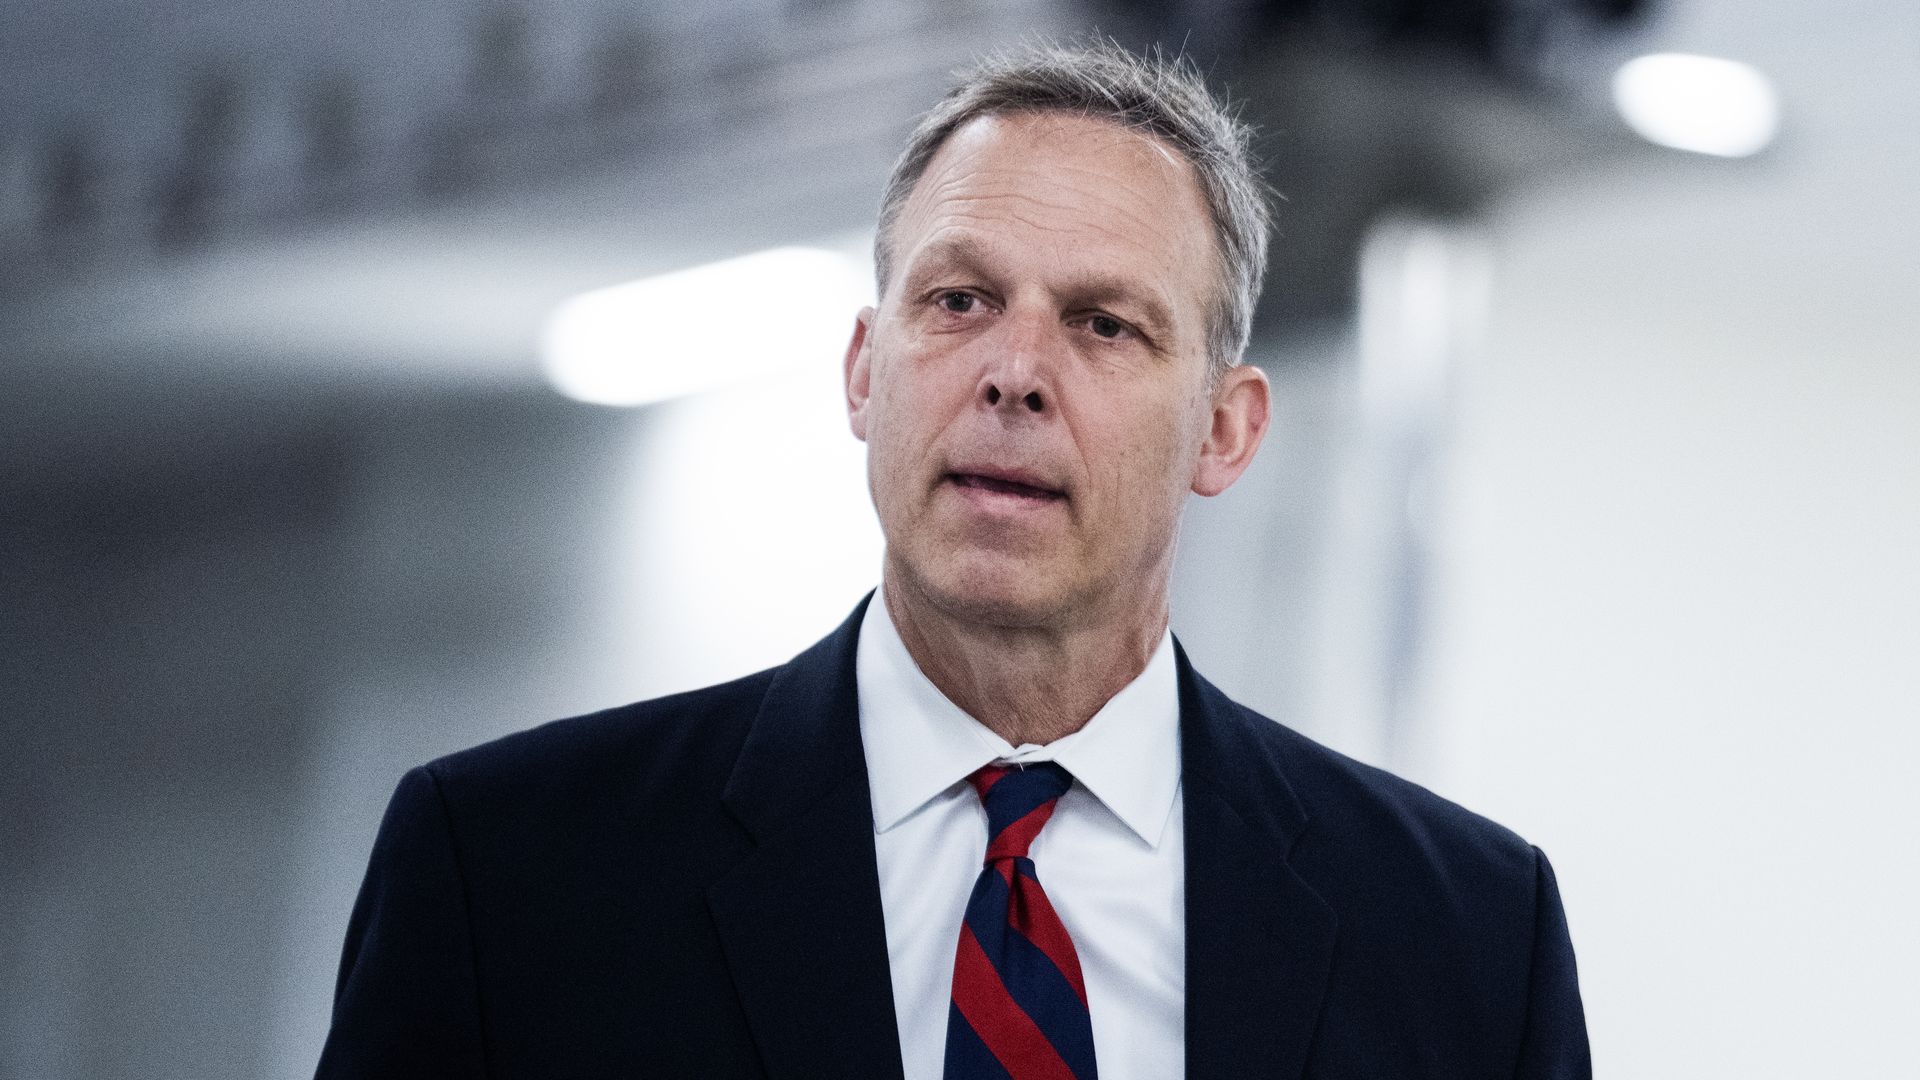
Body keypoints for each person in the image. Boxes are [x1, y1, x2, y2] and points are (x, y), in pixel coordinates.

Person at [316, 41, 1589, 1080]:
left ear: (1224, 427)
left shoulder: (1465, 940)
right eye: (960, 301)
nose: (1015, 374)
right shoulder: (512, 876)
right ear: (866, 372)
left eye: (1103, 324)